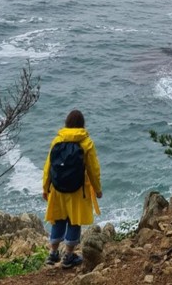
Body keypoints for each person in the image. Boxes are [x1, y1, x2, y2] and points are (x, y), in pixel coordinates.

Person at [42, 109, 102, 268]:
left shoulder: (57, 141)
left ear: (66, 123)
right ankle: (68, 256)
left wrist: (45, 187)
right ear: (82, 125)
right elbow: (93, 169)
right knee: (75, 221)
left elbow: (48, 166)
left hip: (57, 189)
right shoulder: (86, 143)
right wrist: (97, 189)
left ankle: (53, 254)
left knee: (58, 218)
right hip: (78, 190)